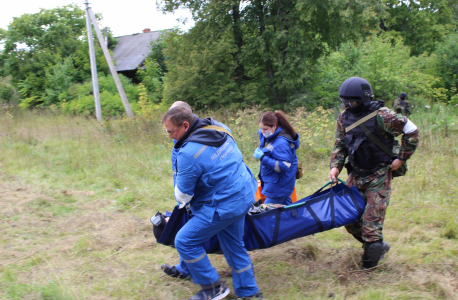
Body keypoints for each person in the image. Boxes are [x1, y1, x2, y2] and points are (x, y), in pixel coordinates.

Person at [163, 107, 263, 300]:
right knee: (234, 245)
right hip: (244, 192)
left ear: (185, 125)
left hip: (224, 205)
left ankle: (213, 288)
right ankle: (249, 293)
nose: (169, 136)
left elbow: (183, 196)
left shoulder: (188, 153)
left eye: (171, 131)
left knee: (184, 241)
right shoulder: (219, 128)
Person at [329, 77, 419, 270]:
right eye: (344, 102)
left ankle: (368, 268)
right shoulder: (344, 117)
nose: (348, 106)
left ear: (364, 98)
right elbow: (340, 144)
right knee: (350, 219)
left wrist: (401, 158)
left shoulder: (384, 116)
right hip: (356, 173)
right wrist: (335, 166)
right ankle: (376, 247)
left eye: (351, 102)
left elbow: (412, 131)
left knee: (371, 226)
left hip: (379, 174)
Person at [253, 111, 300, 206]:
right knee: (289, 211)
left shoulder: (281, 143)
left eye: (265, 129)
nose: (262, 132)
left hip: (279, 186)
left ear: (274, 126)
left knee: (265, 214)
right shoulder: (269, 136)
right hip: (277, 182)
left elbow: (283, 166)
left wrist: (263, 157)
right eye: (261, 128)